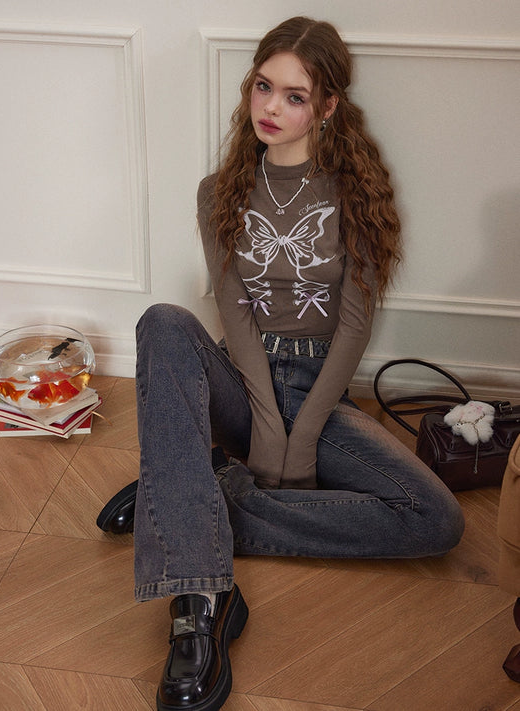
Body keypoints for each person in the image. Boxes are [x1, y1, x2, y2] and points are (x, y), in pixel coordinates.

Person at [134, 16, 465, 711]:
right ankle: (199, 597)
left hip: (319, 387)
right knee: (162, 322)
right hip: (242, 378)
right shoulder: (218, 191)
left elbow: (353, 323)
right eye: (263, 86)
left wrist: (304, 433)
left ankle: (185, 498)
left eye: (294, 96)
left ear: (327, 106)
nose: (270, 107)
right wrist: (265, 424)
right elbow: (234, 311)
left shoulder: (355, 192)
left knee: (434, 519)